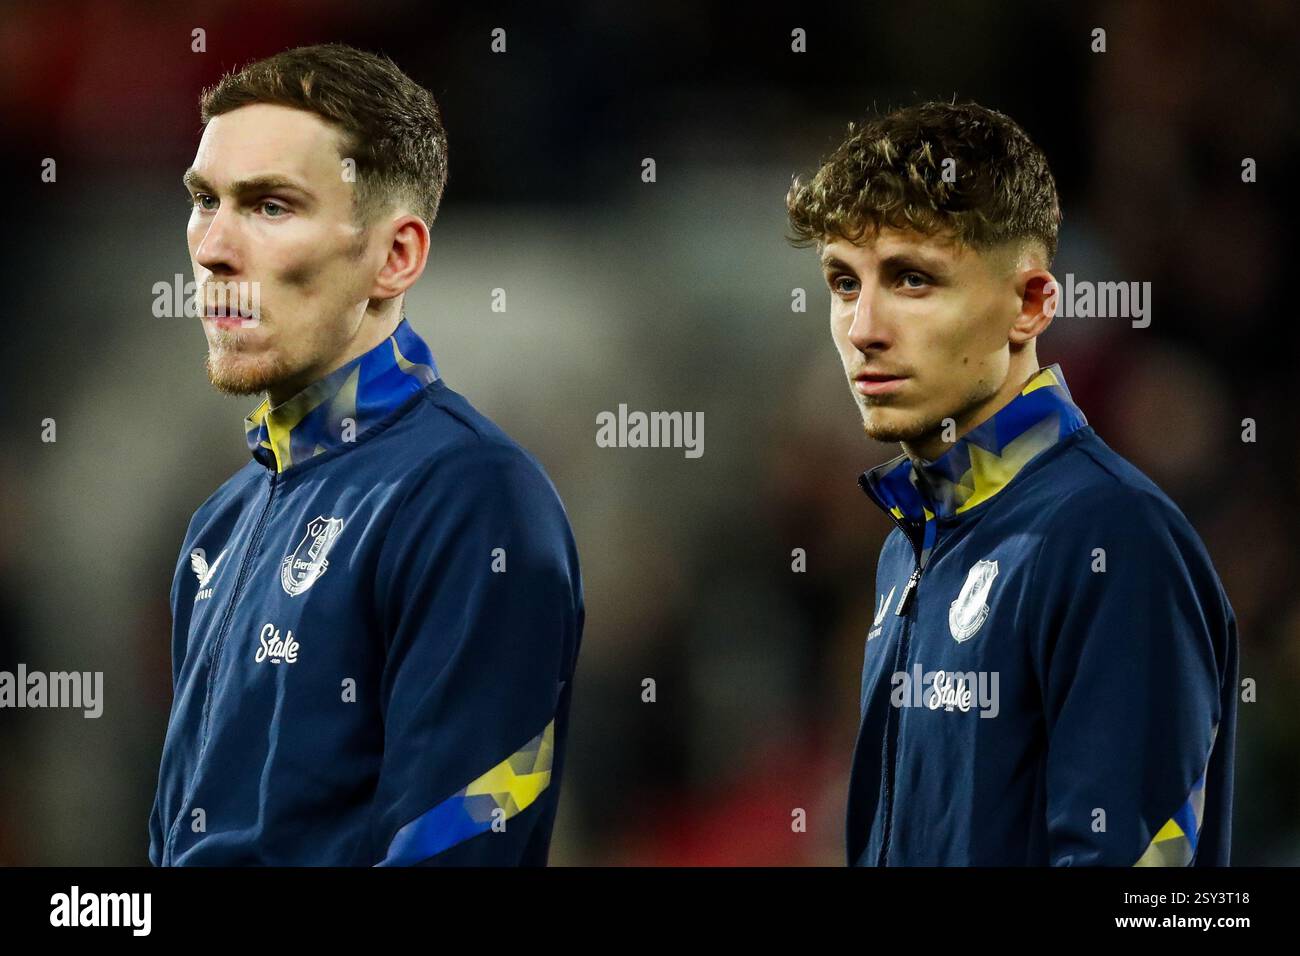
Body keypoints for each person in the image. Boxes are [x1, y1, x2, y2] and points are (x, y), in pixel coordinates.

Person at [149, 44, 584, 866]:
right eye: (205, 200)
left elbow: (467, 835)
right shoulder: (220, 526)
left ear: (396, 257)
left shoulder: (472, 499)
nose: (211, 248)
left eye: (270, 206)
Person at [786, 101, 1237, 866]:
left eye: (911, 279)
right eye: (842, 282)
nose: (863, 327)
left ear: (1029, 304)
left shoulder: (1111, 540)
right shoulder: (914, 545)